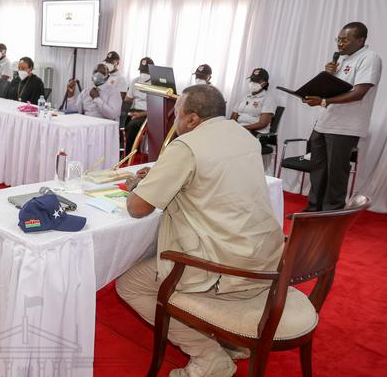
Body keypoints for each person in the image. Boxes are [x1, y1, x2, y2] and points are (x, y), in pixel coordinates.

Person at [116, 84, 284, 377]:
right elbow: (214, 183)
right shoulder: (244, 136)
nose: (174, 120)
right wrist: (165, 177)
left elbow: (138, 208)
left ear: (192, 119)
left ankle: (209, 357)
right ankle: (229, 338)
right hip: (265, 256)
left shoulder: (187, 146)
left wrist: (137, 187)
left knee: (130, 285)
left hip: (223, 263)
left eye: (177, 114)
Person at [302, 21, 382, 211]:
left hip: (344, 127)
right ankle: (312, 211)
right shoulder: (343, 60)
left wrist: (323, 101)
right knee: (317, 170)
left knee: (336, 173)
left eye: (345, 40)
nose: (340, 44)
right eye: (338, 39)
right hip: (324, 122)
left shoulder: (370, 58)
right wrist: (327, 77)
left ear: (361, 40)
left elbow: (359, 92)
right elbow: (332, 90)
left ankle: (331, 214)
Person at [123, 57, 155, 154]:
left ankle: (128, 156)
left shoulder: (156, 84)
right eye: (142, 71)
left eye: (146, 71)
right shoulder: (135, 81)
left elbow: (156, 108)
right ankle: (124, 151)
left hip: (147, 114)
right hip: (133, 111)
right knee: (120, 122)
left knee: (132, 125)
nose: (143, 74)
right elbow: (128, 99)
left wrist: (141, 114)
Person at [230, 68, 276, 134]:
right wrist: (233, 127)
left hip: (255, 132)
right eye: (252, 80)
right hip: (239, 130)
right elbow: (233, 117)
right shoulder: (244, 97)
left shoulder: (268, 99)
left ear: (264, 83)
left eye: (257, 80)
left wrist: (242, 128)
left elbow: (263, 124)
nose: (253, 82)